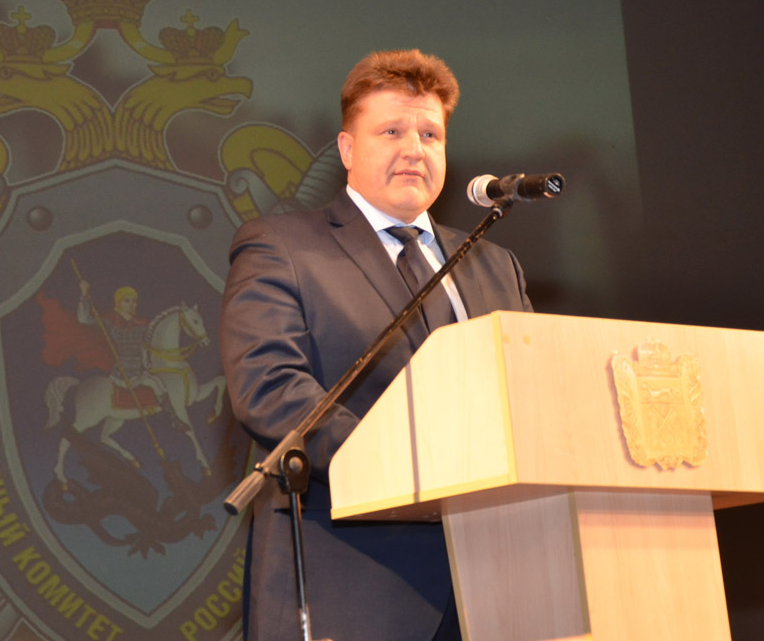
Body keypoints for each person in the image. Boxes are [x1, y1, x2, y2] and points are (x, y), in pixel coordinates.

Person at [219, 49, 532, 641]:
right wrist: (409, 468)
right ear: (346, 149)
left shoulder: (495, 264)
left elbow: (531, 395)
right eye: (391, 131)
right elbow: (270, 388)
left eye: (430, 134)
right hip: (354, 582)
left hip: (503, 583)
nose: (414, 149)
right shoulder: (281, 248)